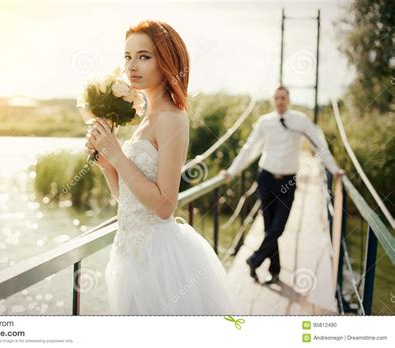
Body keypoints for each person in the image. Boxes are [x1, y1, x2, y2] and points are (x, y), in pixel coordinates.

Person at [85, 20, 238, 314]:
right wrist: (107, 165)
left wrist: (118, 156)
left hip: (158, 261)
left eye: (144, 56)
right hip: (128, 253)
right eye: (128, 57)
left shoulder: (171, 117)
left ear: (167, 61)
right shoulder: (146, 117)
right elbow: (129, 200)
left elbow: (165, 206)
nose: (132, 65)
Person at [220, 86, 345, 284]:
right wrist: (232, 171)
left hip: (288, 181)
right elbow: (249, 147)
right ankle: (274, 269)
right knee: (269, 227)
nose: (280, 101)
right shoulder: (265, 122)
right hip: (266, 179)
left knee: (279, 227)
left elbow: (319, 145)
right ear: (273, 100)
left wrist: (334, 169)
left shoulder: (300, 120)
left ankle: (255, 259)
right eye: (277, 98)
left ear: (289, 100)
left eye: (283, 97)